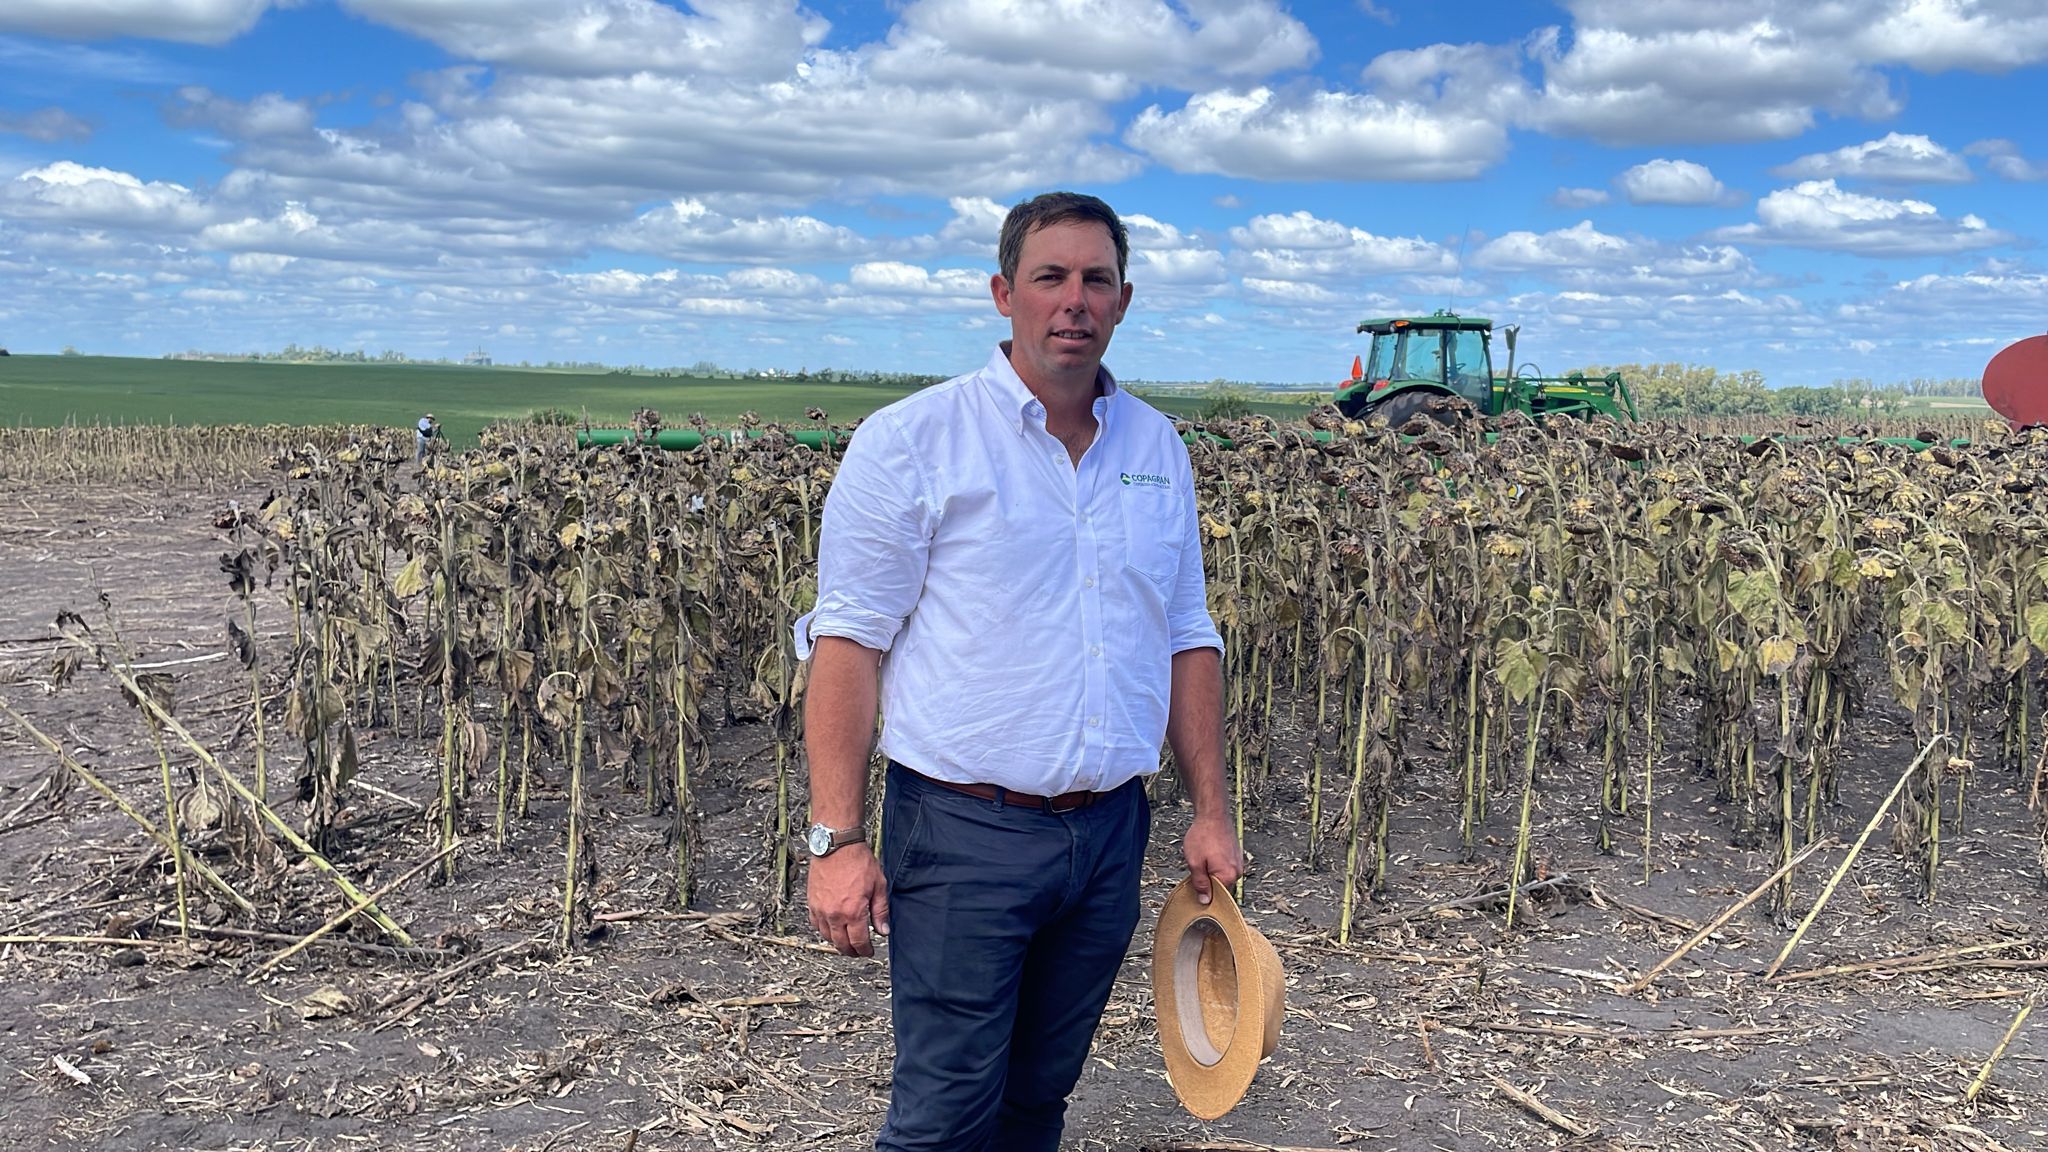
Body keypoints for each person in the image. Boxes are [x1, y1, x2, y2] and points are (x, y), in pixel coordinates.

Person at [793, 190, 1242, 1152]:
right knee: (944, 1115)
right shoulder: (914, 441)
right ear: (1004, 294)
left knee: (1038, 1099)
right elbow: (849, 645)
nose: (1075, 299)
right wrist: (836, 839)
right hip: (964, 836)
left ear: (1124, 301)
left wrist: (1211, 810)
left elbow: (1186, 634)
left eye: (1097, 280)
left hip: (1110, 834)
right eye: (1050, 277)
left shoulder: (1156, 447)